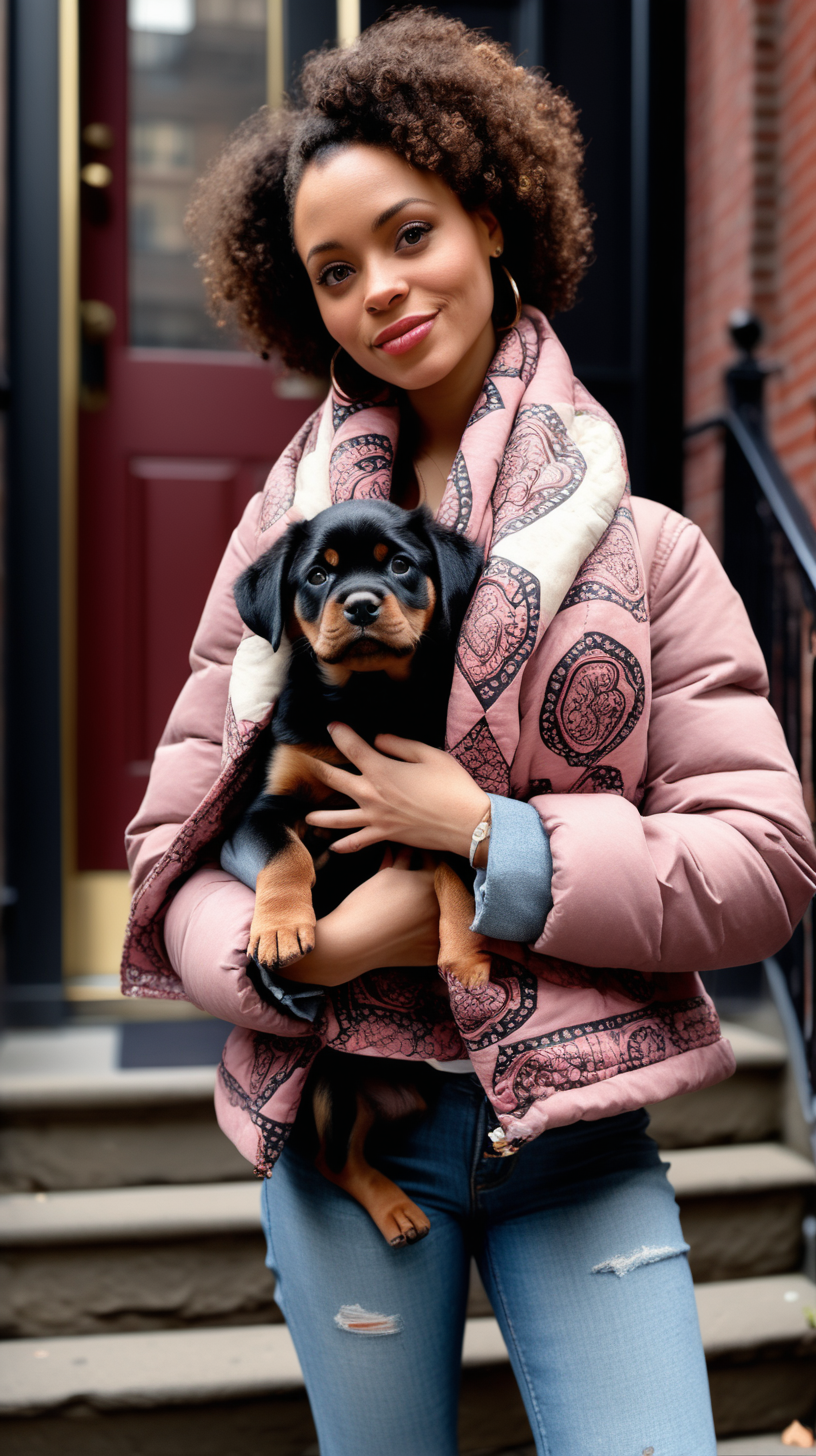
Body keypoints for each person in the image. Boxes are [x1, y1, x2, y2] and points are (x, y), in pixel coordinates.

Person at [122, 13, 816, 1455]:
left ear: (489, 218)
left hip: (581, 1138)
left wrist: (491, 841)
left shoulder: (654, 551)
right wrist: (306, 953)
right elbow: (170, 850)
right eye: (333, 271)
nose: (381, 289)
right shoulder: (281, 549)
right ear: (301, 302)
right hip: (342, 1127)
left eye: (409, 233)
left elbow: (761, 861)